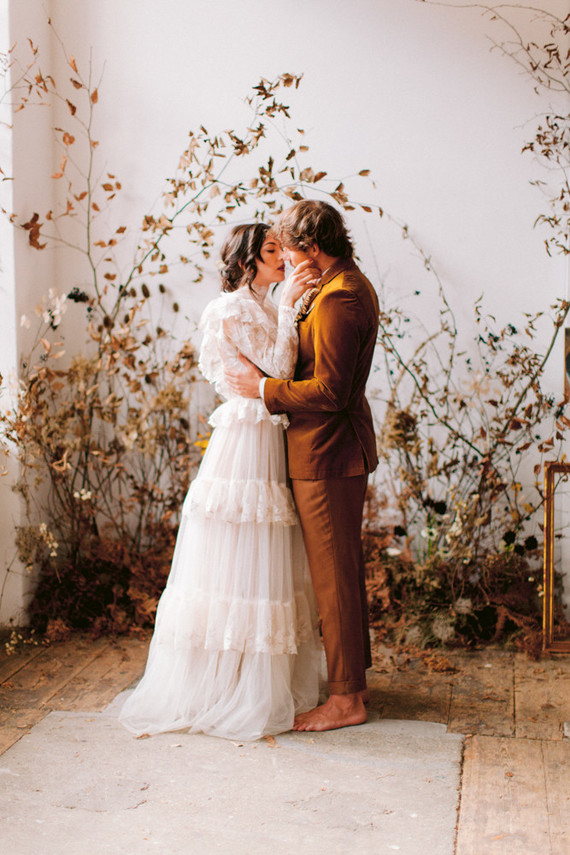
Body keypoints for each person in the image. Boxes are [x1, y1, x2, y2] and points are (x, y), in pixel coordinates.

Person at [119, 223, 323, 741]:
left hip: (268, 428)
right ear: (246, 261)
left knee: (269, 556)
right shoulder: (233, 307)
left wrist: (287, 309)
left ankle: (255, 679)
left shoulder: (263, 304)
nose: (283, 258)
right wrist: (291, 308)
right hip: (248, 437)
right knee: (243, 549)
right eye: (271, 251)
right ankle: (226, 686)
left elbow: (278, 375)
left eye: (283, 248)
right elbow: (278, 366)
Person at [225, 200, 379, 732]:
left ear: (311, 247)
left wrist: (264, 389)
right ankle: (350, 684)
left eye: (288, 251)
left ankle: (345, 701)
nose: (287, 262)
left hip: (328, 452)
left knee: (333, 579)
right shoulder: (335, 288)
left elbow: (332, 390)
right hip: (326, 451)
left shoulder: (341, 298)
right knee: (339, 576)